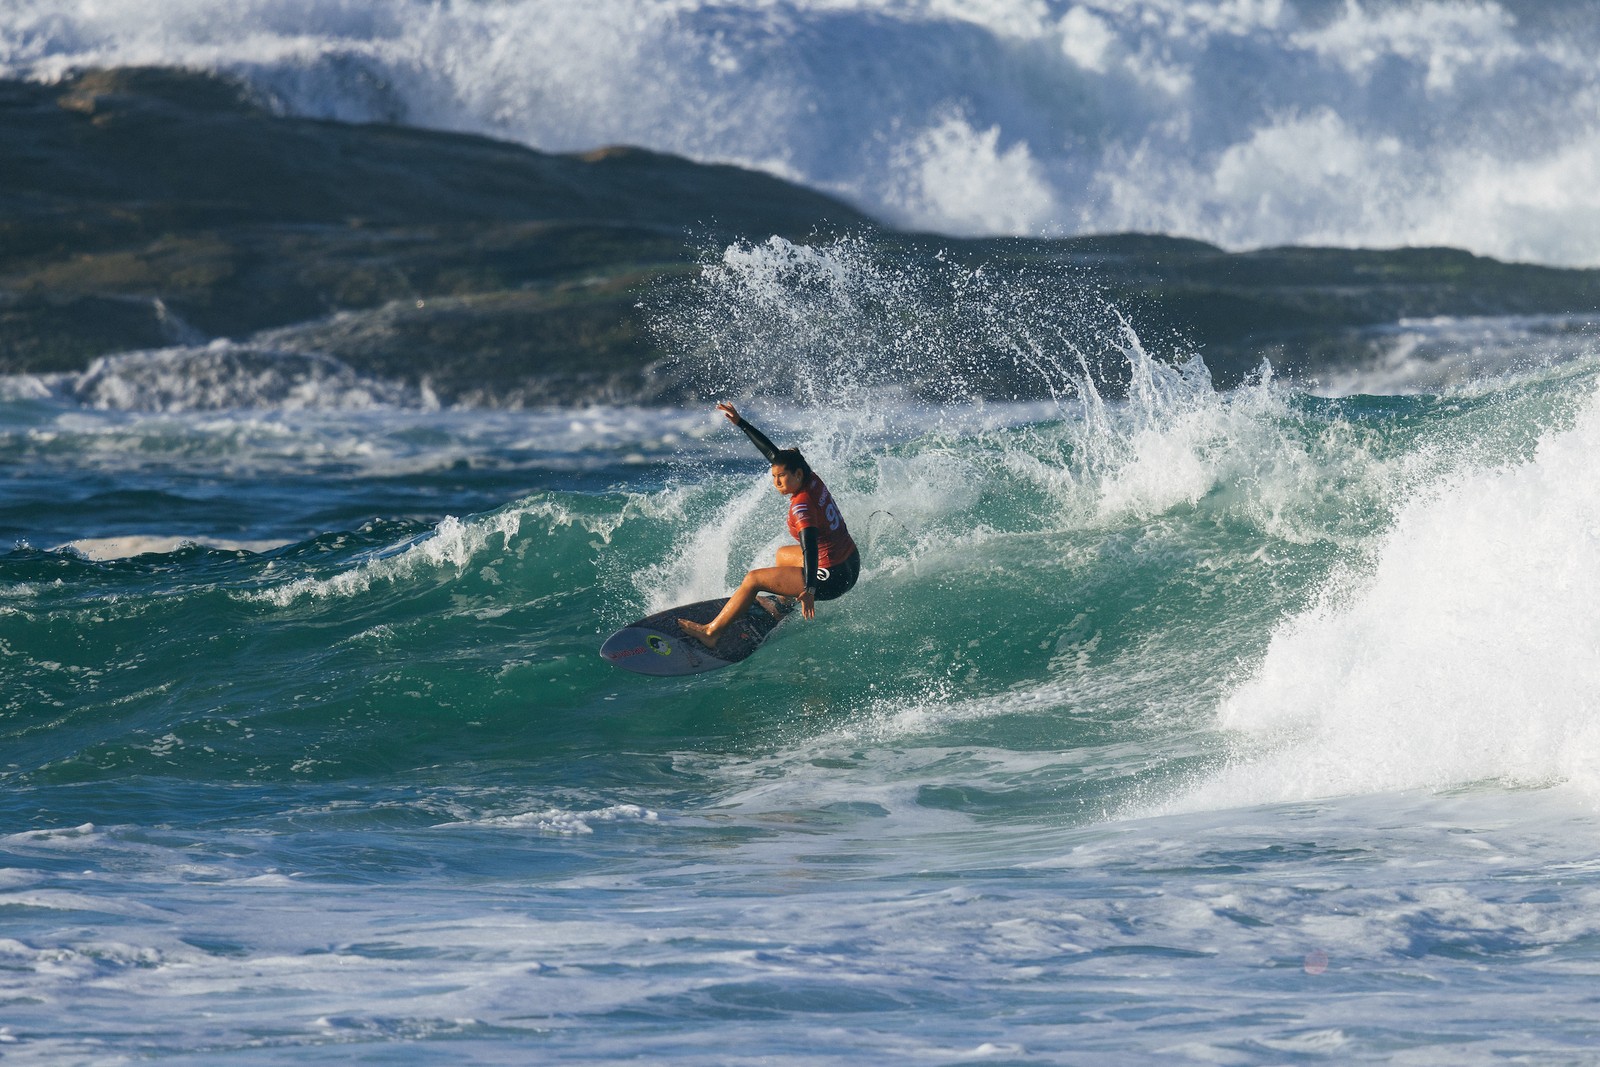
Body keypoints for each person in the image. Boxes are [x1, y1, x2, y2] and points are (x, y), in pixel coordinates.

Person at [679, 402, 860, 648]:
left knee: (753, 580)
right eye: (774, 477)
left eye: (781, 477)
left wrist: (810, 589)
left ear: (796, 474)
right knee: (783, 555)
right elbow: (774, 455)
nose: (777, 482)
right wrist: (741, 423)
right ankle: (782, 606)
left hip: (832, 578)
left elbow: (809, 546)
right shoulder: (810, 478)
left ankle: (711, 632)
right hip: (850, 562)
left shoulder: (802, 505)